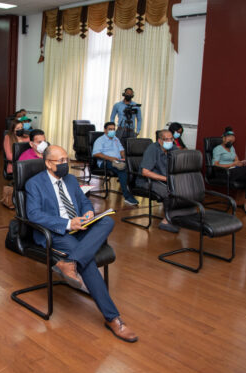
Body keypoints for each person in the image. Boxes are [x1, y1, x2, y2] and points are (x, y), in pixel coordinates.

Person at [26, 145, 138, 343]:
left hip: (80, 226)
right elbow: (34, 215)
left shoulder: (70, 179)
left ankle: (70, 263)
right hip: (57, 232)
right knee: (87, 262)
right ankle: (113, 318)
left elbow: (83, 201)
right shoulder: (34, 183)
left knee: (107, 221)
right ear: (48, 163)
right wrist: (69, 223)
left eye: (66, 160)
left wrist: (88, 212)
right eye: (60, 161)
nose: (65, 164)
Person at [140, 129, 179, 233]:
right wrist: (166, 179)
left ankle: (177, 216)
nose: (169, 141)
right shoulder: (152, 149)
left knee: (184, 189)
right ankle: (165, 221)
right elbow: (145, 172)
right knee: (169, 192)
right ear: (159, 140)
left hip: (166, 180)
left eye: (171, 139)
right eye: (166, 139)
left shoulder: (173, 148)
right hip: (148, 181)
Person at [212, 126, 246, 214]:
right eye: (229, 140)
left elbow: (237, 160)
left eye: (232, 140)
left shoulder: (232, 148)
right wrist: (232, 164)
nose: (230, 142)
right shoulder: (217, 149)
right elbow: (215, 165)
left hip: (233, 171)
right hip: (223, 172)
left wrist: (240, 163)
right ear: (223, 139)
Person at [92, 122, 139, 206]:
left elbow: (121, 150)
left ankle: (134, 191)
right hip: (105, 162)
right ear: (105, 130)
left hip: (118, 161)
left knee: (133, 167)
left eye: (113, 129)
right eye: (110, 129)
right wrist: (110, 158)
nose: (112, 131)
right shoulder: (100, 140)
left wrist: (124, 157)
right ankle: (127, 197)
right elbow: (96, 154)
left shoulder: (116, 139)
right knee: (122, 169)